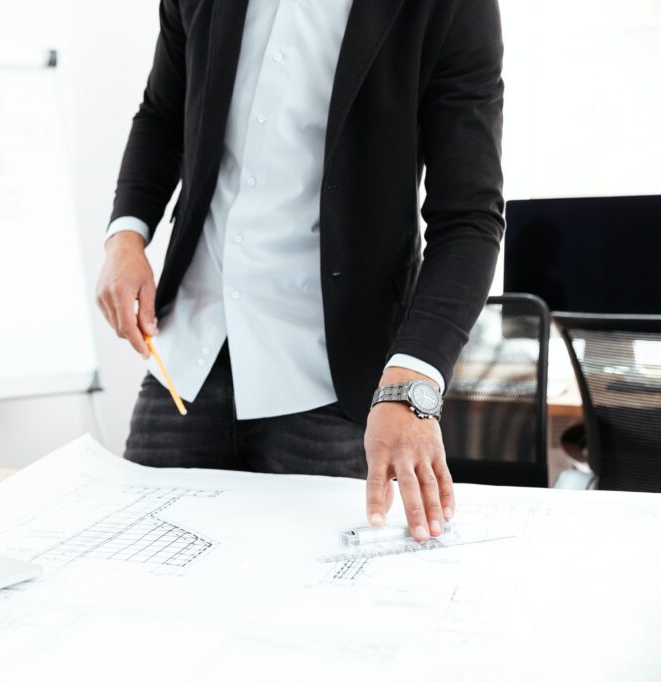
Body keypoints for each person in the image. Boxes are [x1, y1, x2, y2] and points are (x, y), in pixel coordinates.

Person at [96, 0, 504, 542]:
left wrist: (415, 377)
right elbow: (163, 113)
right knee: (138, 583)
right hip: (189, 361)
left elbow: (468, 217)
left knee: (314, 617)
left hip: (332, 384)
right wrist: (126, 233)